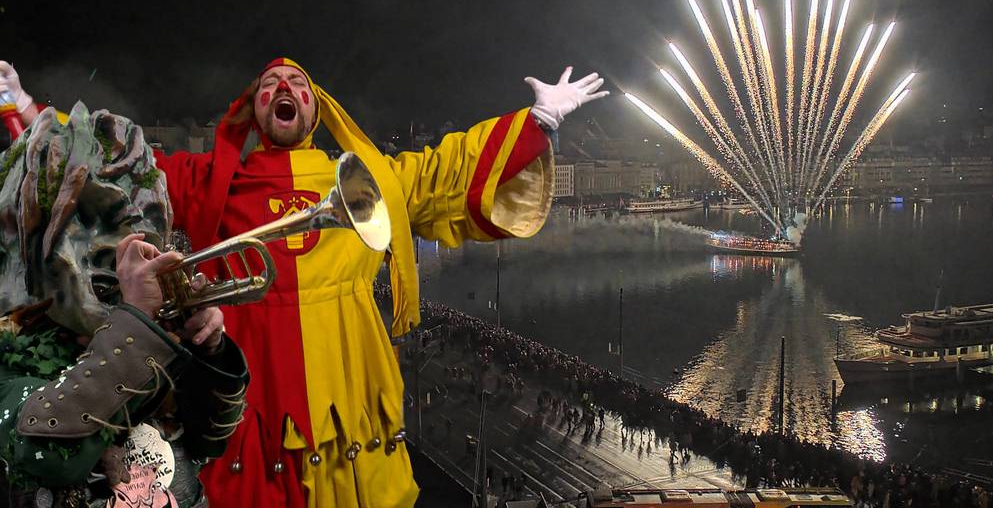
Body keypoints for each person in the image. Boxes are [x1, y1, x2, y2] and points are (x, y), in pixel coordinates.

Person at [6, 57, 607, 508]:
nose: (282, 91)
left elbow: (448, 170)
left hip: (351, 379)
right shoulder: (211, 179)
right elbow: (111, 167)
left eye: (296, 85)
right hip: (244, 383)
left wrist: (538, 121)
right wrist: (30, 113)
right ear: (254, 111)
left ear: (317, 110)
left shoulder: (371, 179)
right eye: (269, 87)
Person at [0, 104, 248, 507]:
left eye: (143, 219)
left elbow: (213, 438)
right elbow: (48, 449)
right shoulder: (8, 355)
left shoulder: (151, 345)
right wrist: (136, 323)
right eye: (89, 218)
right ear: (18, 233)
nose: (123, 246)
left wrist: (208, 348)